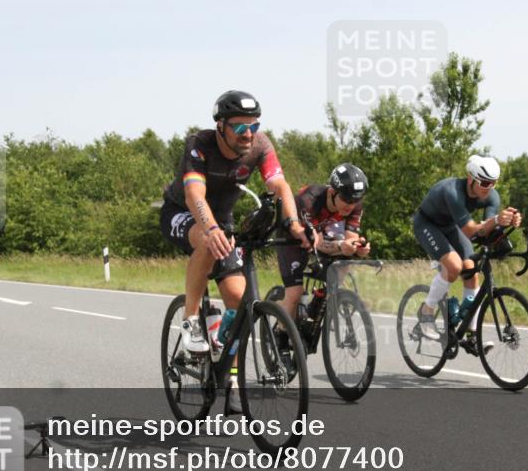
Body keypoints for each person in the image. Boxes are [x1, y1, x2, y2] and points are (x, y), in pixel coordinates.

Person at [159, 90, 315, 411]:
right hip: (183, 212)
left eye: (253, 126)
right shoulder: (199, 145)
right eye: (239, 127)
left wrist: (295, 225)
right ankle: (190, 323)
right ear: (220, 126)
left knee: (238, 300)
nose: (248, 134)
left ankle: (228, 376)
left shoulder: (260, 146)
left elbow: (280, 186)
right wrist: (211, 228)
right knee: (206, 239)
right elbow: (194, 195)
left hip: (222, 221)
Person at [412, 155, 522, 354]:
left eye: (494, 183)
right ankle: (426, 314)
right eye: (485, 183)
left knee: (471, 269)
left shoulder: (492, 197)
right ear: (471, 179)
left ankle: (471, 335)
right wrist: (497, 219)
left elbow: (486, 231)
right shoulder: (452, 191)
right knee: (454, 267)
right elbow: (472, 231)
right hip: (427, 224)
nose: (489, 188)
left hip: (451, 226)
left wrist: (507, 223)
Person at [276, 163, 372, 322]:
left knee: (344, 261)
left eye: (356, 200)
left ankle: (319, 300)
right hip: (293, 237)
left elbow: (351, 238)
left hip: (319, 231)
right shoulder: (310, 199)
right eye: (346, 199)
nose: (351, 205)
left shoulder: (354, 205)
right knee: (295, 293)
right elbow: (318, 243)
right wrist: (341, 246)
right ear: (333, 192)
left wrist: (357, 247)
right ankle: (280, 334)